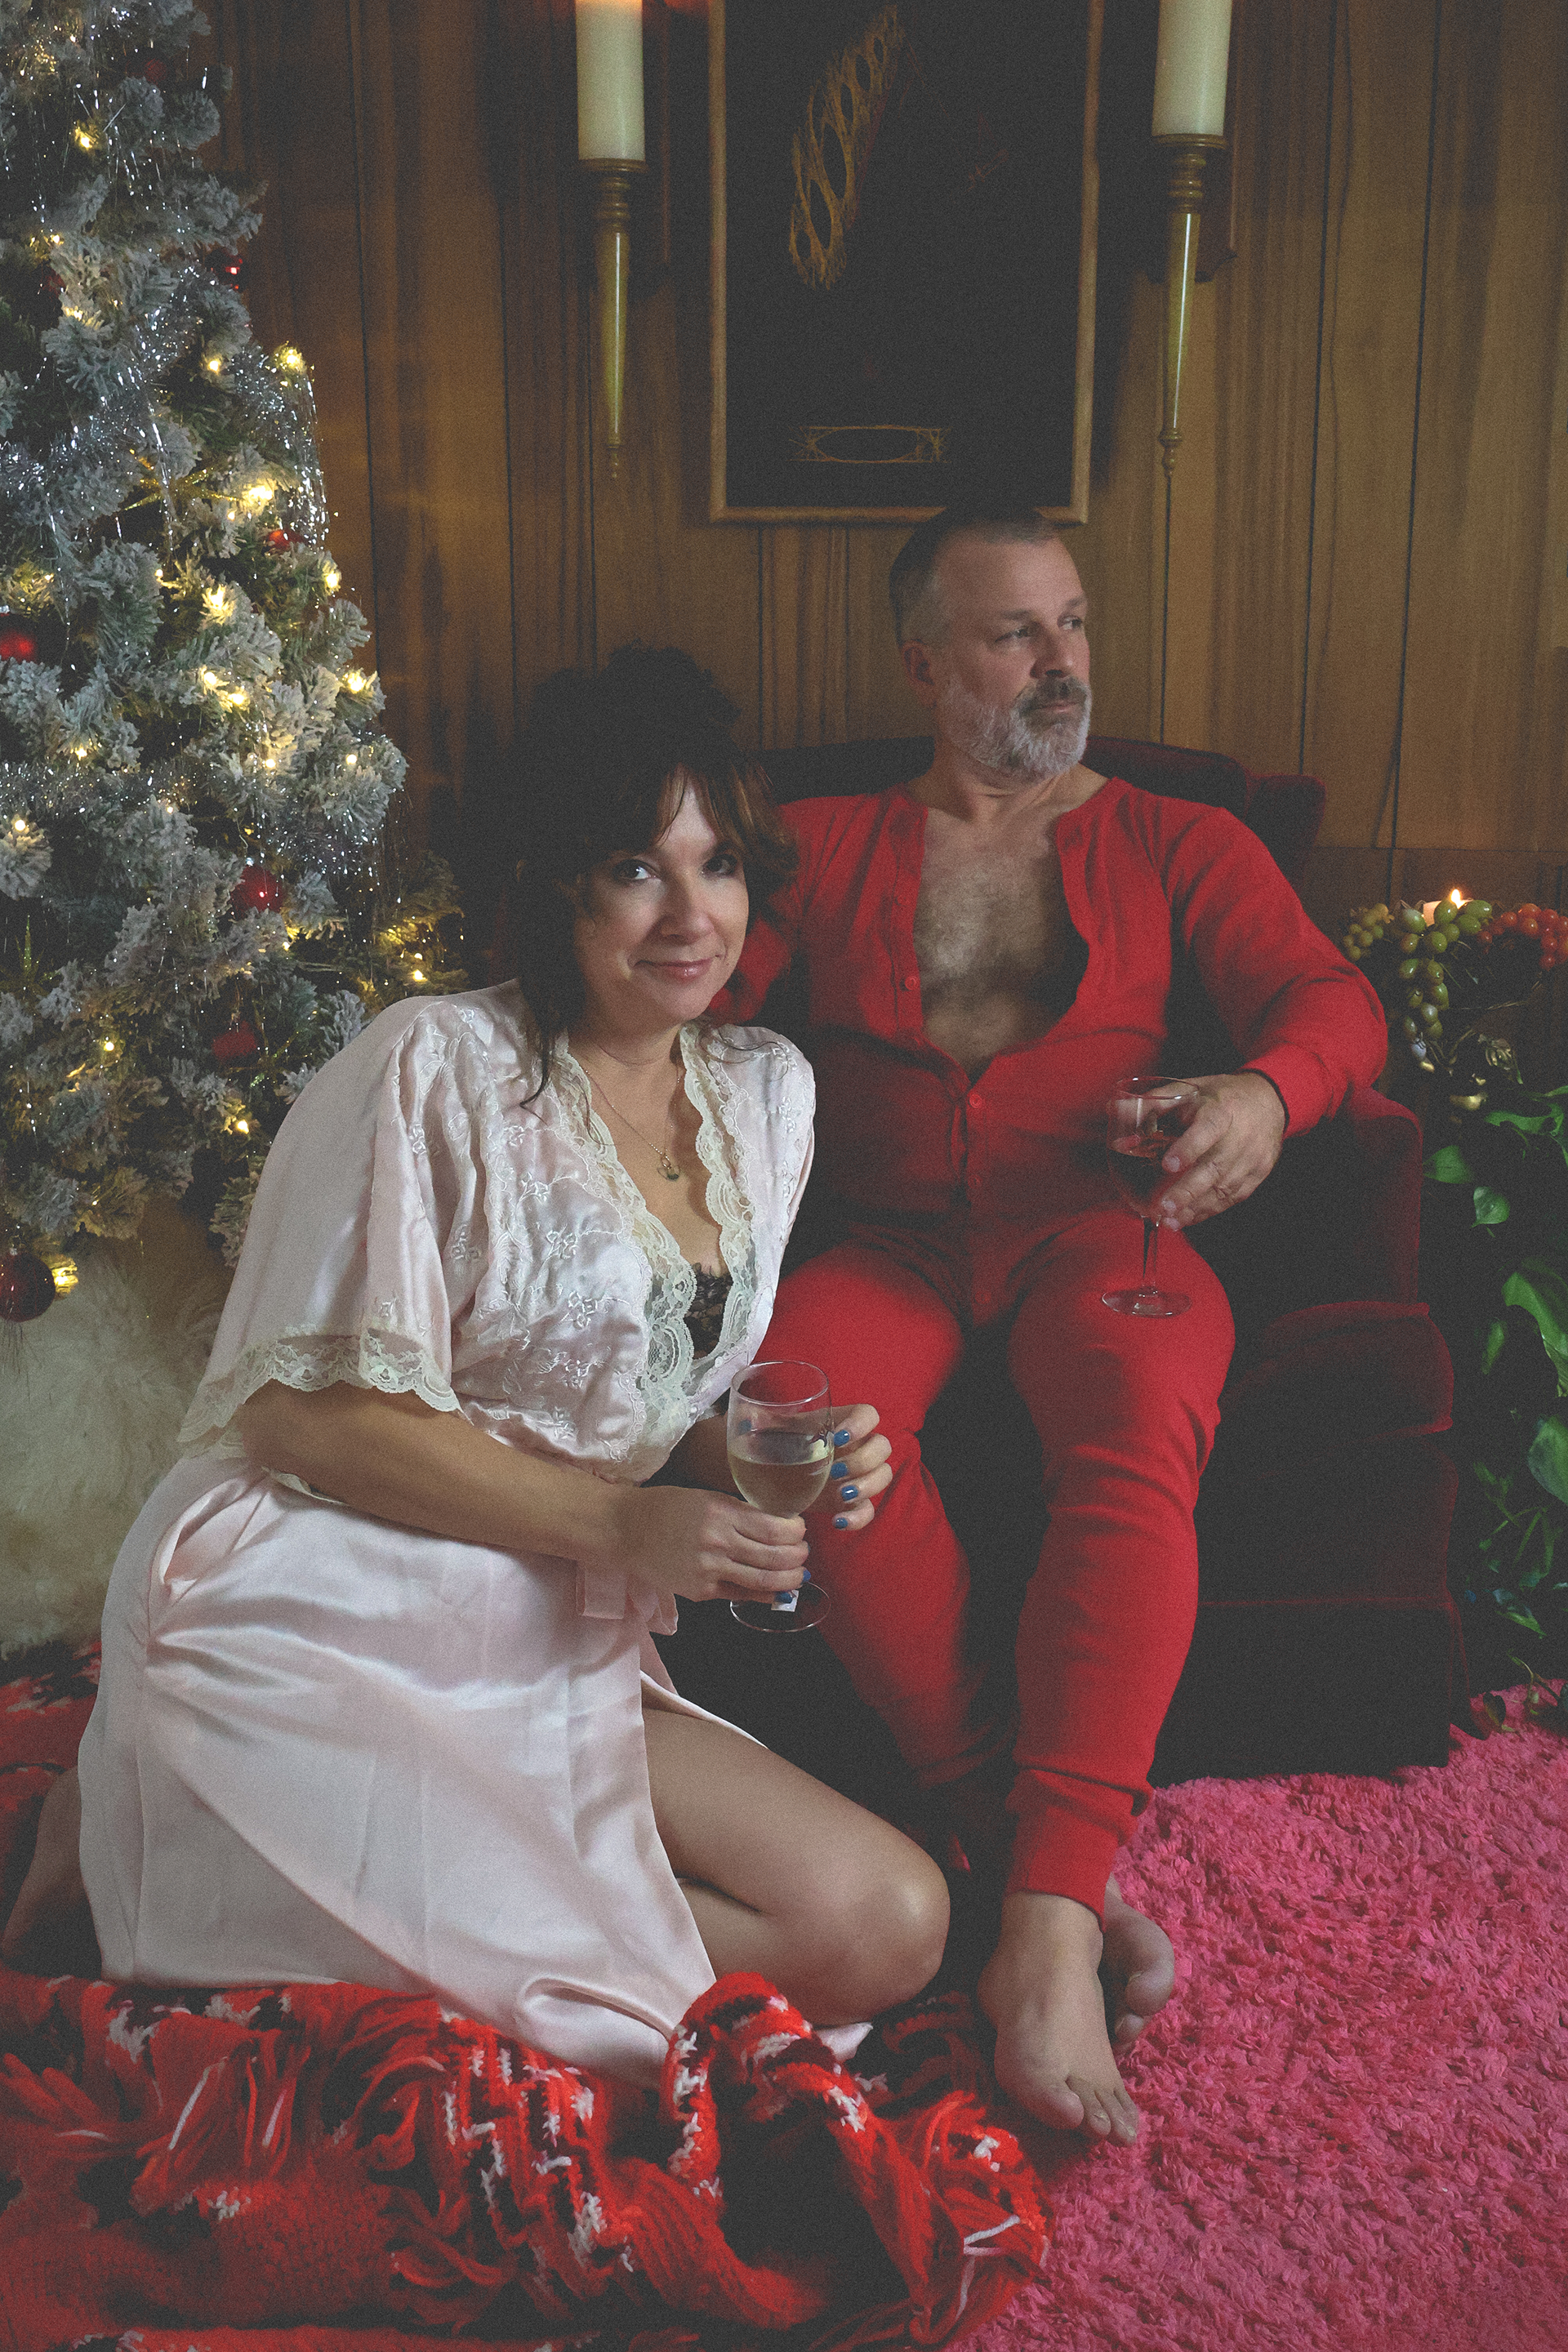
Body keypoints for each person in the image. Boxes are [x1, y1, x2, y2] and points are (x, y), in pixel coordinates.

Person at [59, 648, 952, 2087]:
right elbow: (297, 1416)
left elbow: (629, 1397)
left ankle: (212, 1854)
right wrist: (619, 1524)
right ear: (551, 884)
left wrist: (761, 1456)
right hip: (314, 1602)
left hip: (541, 1614)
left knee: (891, 1921)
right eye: (634, 869)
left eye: (718, 865)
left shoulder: (767, 1098)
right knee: (517, 1978)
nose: (691, 915)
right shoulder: (433, 1066)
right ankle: (158, 1810)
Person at [719, 505, 1388, 2142]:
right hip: (881, 1244)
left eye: (1076, 623)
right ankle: (1039, 1896)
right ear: (923, 663)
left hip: (1105, 1230)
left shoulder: (1176, 840)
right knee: (801, 1442)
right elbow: (689, 998)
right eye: (1017, 633)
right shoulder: (814, 843)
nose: (1062, 662)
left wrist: (1262, 1092)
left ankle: (1042, 1926)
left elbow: (1334, 1005)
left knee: (1138, 1425)